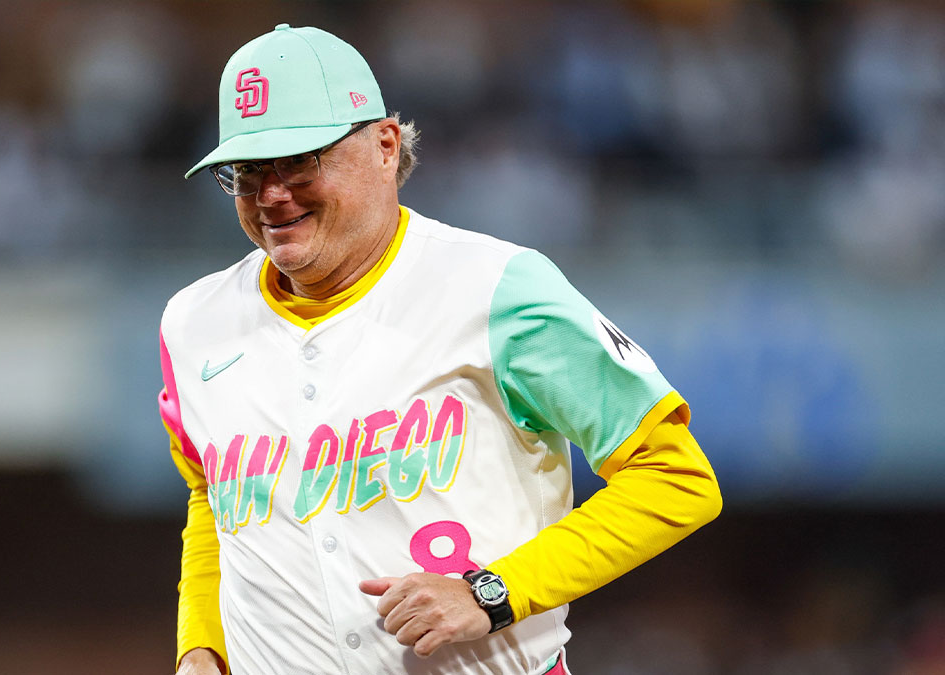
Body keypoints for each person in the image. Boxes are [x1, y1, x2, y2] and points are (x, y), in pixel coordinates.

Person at [159, 24, 721, 675]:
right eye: (248, 171)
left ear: (385, 145)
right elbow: (215, 500)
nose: (272, 194)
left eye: (300, 161)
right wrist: (202, 646)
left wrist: (496, 590)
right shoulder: (192, 322)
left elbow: (676, 477)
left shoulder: (497, 288)